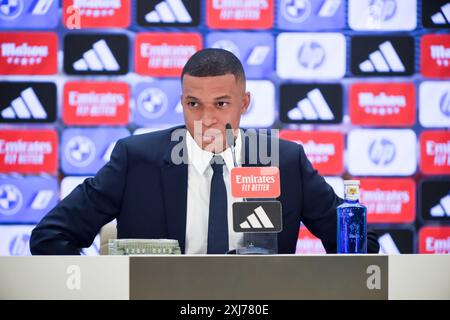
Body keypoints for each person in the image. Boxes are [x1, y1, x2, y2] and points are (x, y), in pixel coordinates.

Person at [30, 48, 379, 255]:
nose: (207, 118)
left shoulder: (284, 161)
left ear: (244, 103)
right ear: (181, 102)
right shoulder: (135, 158)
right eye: (193, 104)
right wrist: (101, 287)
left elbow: (362, 246)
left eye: (221, 103)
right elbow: (49, 236)